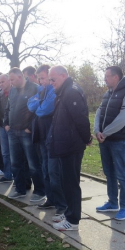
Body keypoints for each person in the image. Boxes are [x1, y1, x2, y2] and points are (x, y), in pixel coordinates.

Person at [47, 66, 92, 231]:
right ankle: (69, 213)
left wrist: (87, 138)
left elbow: (81, 119)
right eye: (50, 80)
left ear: (63, 76)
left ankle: (73, 221)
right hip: (64, 144)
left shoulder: (71, 92)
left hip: (71, 145)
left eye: (53, 79)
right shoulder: (63, 91)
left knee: (71, 183)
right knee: (66, 182)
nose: (51, 83)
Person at [94, 66, 125, 221]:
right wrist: (97, 130)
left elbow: (123, 118)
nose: (105, 78)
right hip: (104, 140)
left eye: (107, 76)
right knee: (109, 173)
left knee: (121, 174)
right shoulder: (108, 93)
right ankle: (113, 202)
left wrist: (105, 133)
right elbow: (99, 112)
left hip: (118, 141)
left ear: (116, 77)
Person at [28, 64, 67, 216]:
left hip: (52, 138)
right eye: (40, 79)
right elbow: (30, 105)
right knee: (45, 170)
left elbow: (45, 109)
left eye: (44, 78)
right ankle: (50, 199)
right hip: (41, 136)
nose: (42, 82)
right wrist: (39, 104)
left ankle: (62, 205)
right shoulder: (42, 90)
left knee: (54, 171)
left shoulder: (54, 90)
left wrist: (39, 105)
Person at [4, 68, 45, 202]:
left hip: (26, 132)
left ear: (20, 77)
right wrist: (6, 123)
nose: (10, 82)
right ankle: (20, 189)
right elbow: (8, 108)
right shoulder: (12, 91)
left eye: (12, 79)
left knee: (33, 163)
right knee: (15, 163)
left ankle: (39, 191)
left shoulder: (35, 88)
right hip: (13, 131)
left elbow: (39, 110)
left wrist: (30, 127)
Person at [0, 73, 13, 183]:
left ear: (9, 81)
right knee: (5, 152)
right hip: (2, 126)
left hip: (13, 126)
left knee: (16, 153)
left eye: (3, 81)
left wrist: (9, 123)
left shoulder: (15, 92)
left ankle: (18, 176)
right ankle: (7, 175)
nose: (1, 84)